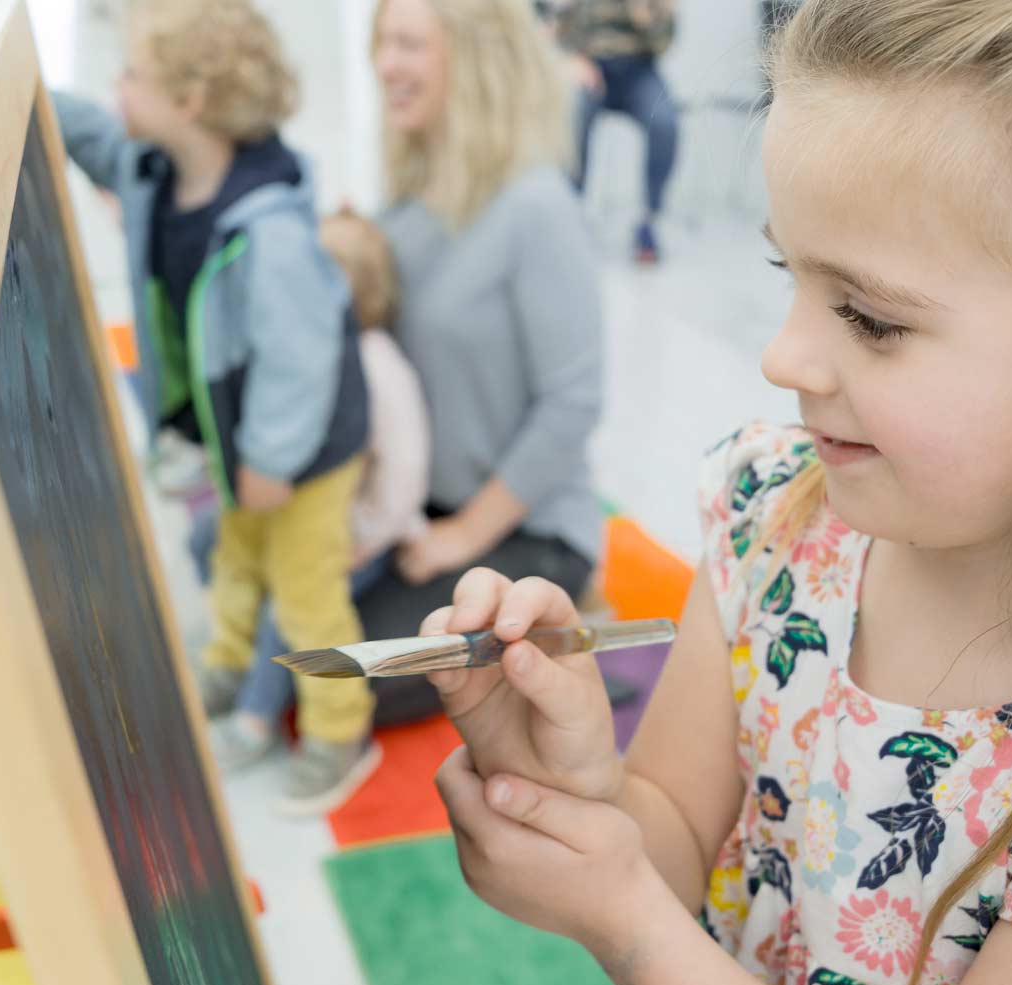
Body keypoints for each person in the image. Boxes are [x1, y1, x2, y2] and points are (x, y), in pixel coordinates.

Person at [420, 1, 1012, 985]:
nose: (781, 355)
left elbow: (643, 913)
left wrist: (625, 915)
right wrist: (580, 799)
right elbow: (665, 844)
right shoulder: (774, 523)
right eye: (785, 271)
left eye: (870, 318)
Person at [53, 0, 378, 815]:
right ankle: (232, 667)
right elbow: (91, 132)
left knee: (304, 590)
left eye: (131, 73)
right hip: (239, 439)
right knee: (236, 560)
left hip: (301, 448)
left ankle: (343, 728)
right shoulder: (151, 167)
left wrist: (271, 459)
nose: (115, 85)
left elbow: (300, 364)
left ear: (189, 102)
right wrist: (16, 83)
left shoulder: (271, 233)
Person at [362, 0, 604, 726]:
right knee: (285, 629)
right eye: (382, 43)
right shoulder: (406, 201)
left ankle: (570, 611)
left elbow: (574, 403)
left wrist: (464, 535)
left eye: (408, 44)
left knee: (355, 675)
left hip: (523, 526)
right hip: (420, 508)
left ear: (470, 59)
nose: (384, 65)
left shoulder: (536, 206)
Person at [201, 209, 432, 769]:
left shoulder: (378, 365)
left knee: (294, 603)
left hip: (365, 530)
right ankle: (230, 667)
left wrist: (362, 536)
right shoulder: (310, 351)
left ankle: (258, 718)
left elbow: (404, 475)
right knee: (222, 546)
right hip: (308, 515)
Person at [557, 0, 680, 263]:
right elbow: (558, 28)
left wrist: (646, 15)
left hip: (639, 72)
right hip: (591, 67)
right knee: (573, 112)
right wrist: (573, 59)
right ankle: (568, 215)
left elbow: (664, 44)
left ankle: (650, 220)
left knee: (665, 123)